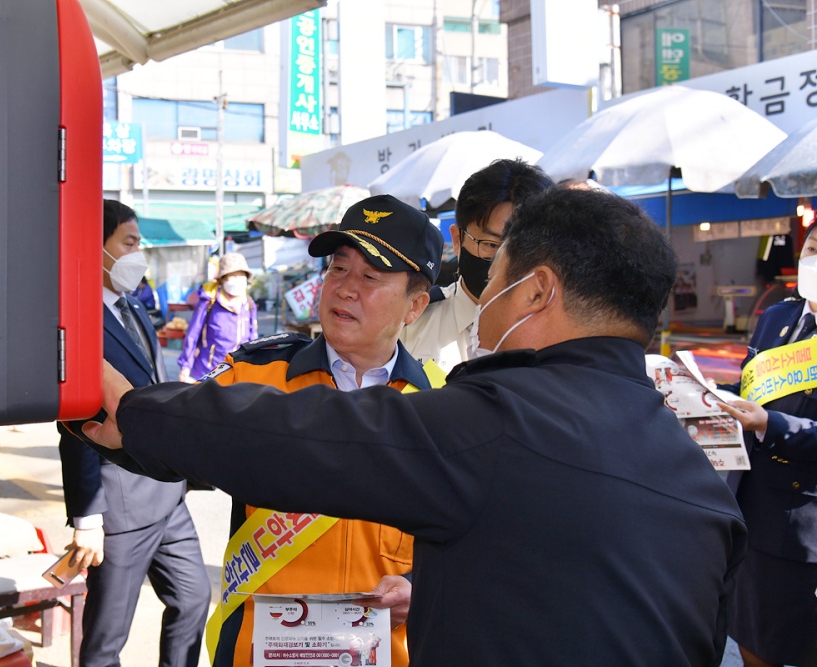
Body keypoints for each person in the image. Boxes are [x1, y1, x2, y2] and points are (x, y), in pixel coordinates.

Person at [82, 187, 747, 666]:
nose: (483, 300)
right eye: (337, 268)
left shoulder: (478, 420)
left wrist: (134, 412)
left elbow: (299, 440)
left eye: (498, 277)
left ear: (538, 291)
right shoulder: (703, 486)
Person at [194, 194, 442, 667]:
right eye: (338, 269)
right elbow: (162, 442)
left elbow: (477, 547)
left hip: (389, 653)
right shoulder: (253, 378)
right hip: (262, 652)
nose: (346, 288)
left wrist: (422, 588)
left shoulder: (440, 403)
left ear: (415, 306)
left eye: (370, 277)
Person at [57, 199, 210, 667]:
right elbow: (77, 425)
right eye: (128, 243)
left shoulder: (134, 307)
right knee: (107, 638)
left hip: (168, 495)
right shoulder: (77, 320)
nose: (136, 255)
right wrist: (87, 520)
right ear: (94, 247)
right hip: (120, 508)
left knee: (194, 600)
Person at [718, 222, 817, 667]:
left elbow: (770, 416)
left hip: (806, 524)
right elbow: (747, 385)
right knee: (753, 640)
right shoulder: (778, 317)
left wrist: (770, 423)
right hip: (755, 513)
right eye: (813, 248)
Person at [399, 158, 554, 372]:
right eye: (491, 244)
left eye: (521, 248)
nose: (503, 262)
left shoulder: (559, 334)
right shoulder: (408, 325)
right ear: (457, 240)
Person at [177, 252, 257, 383]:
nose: (238, 280)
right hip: (208, 371)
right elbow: (193, 334)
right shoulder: (209, 301)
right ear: (223, 279)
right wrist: (185, 366)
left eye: (241, 276)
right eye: (233, 276)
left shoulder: (249, 303)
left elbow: (253, 336)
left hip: (238, 372)